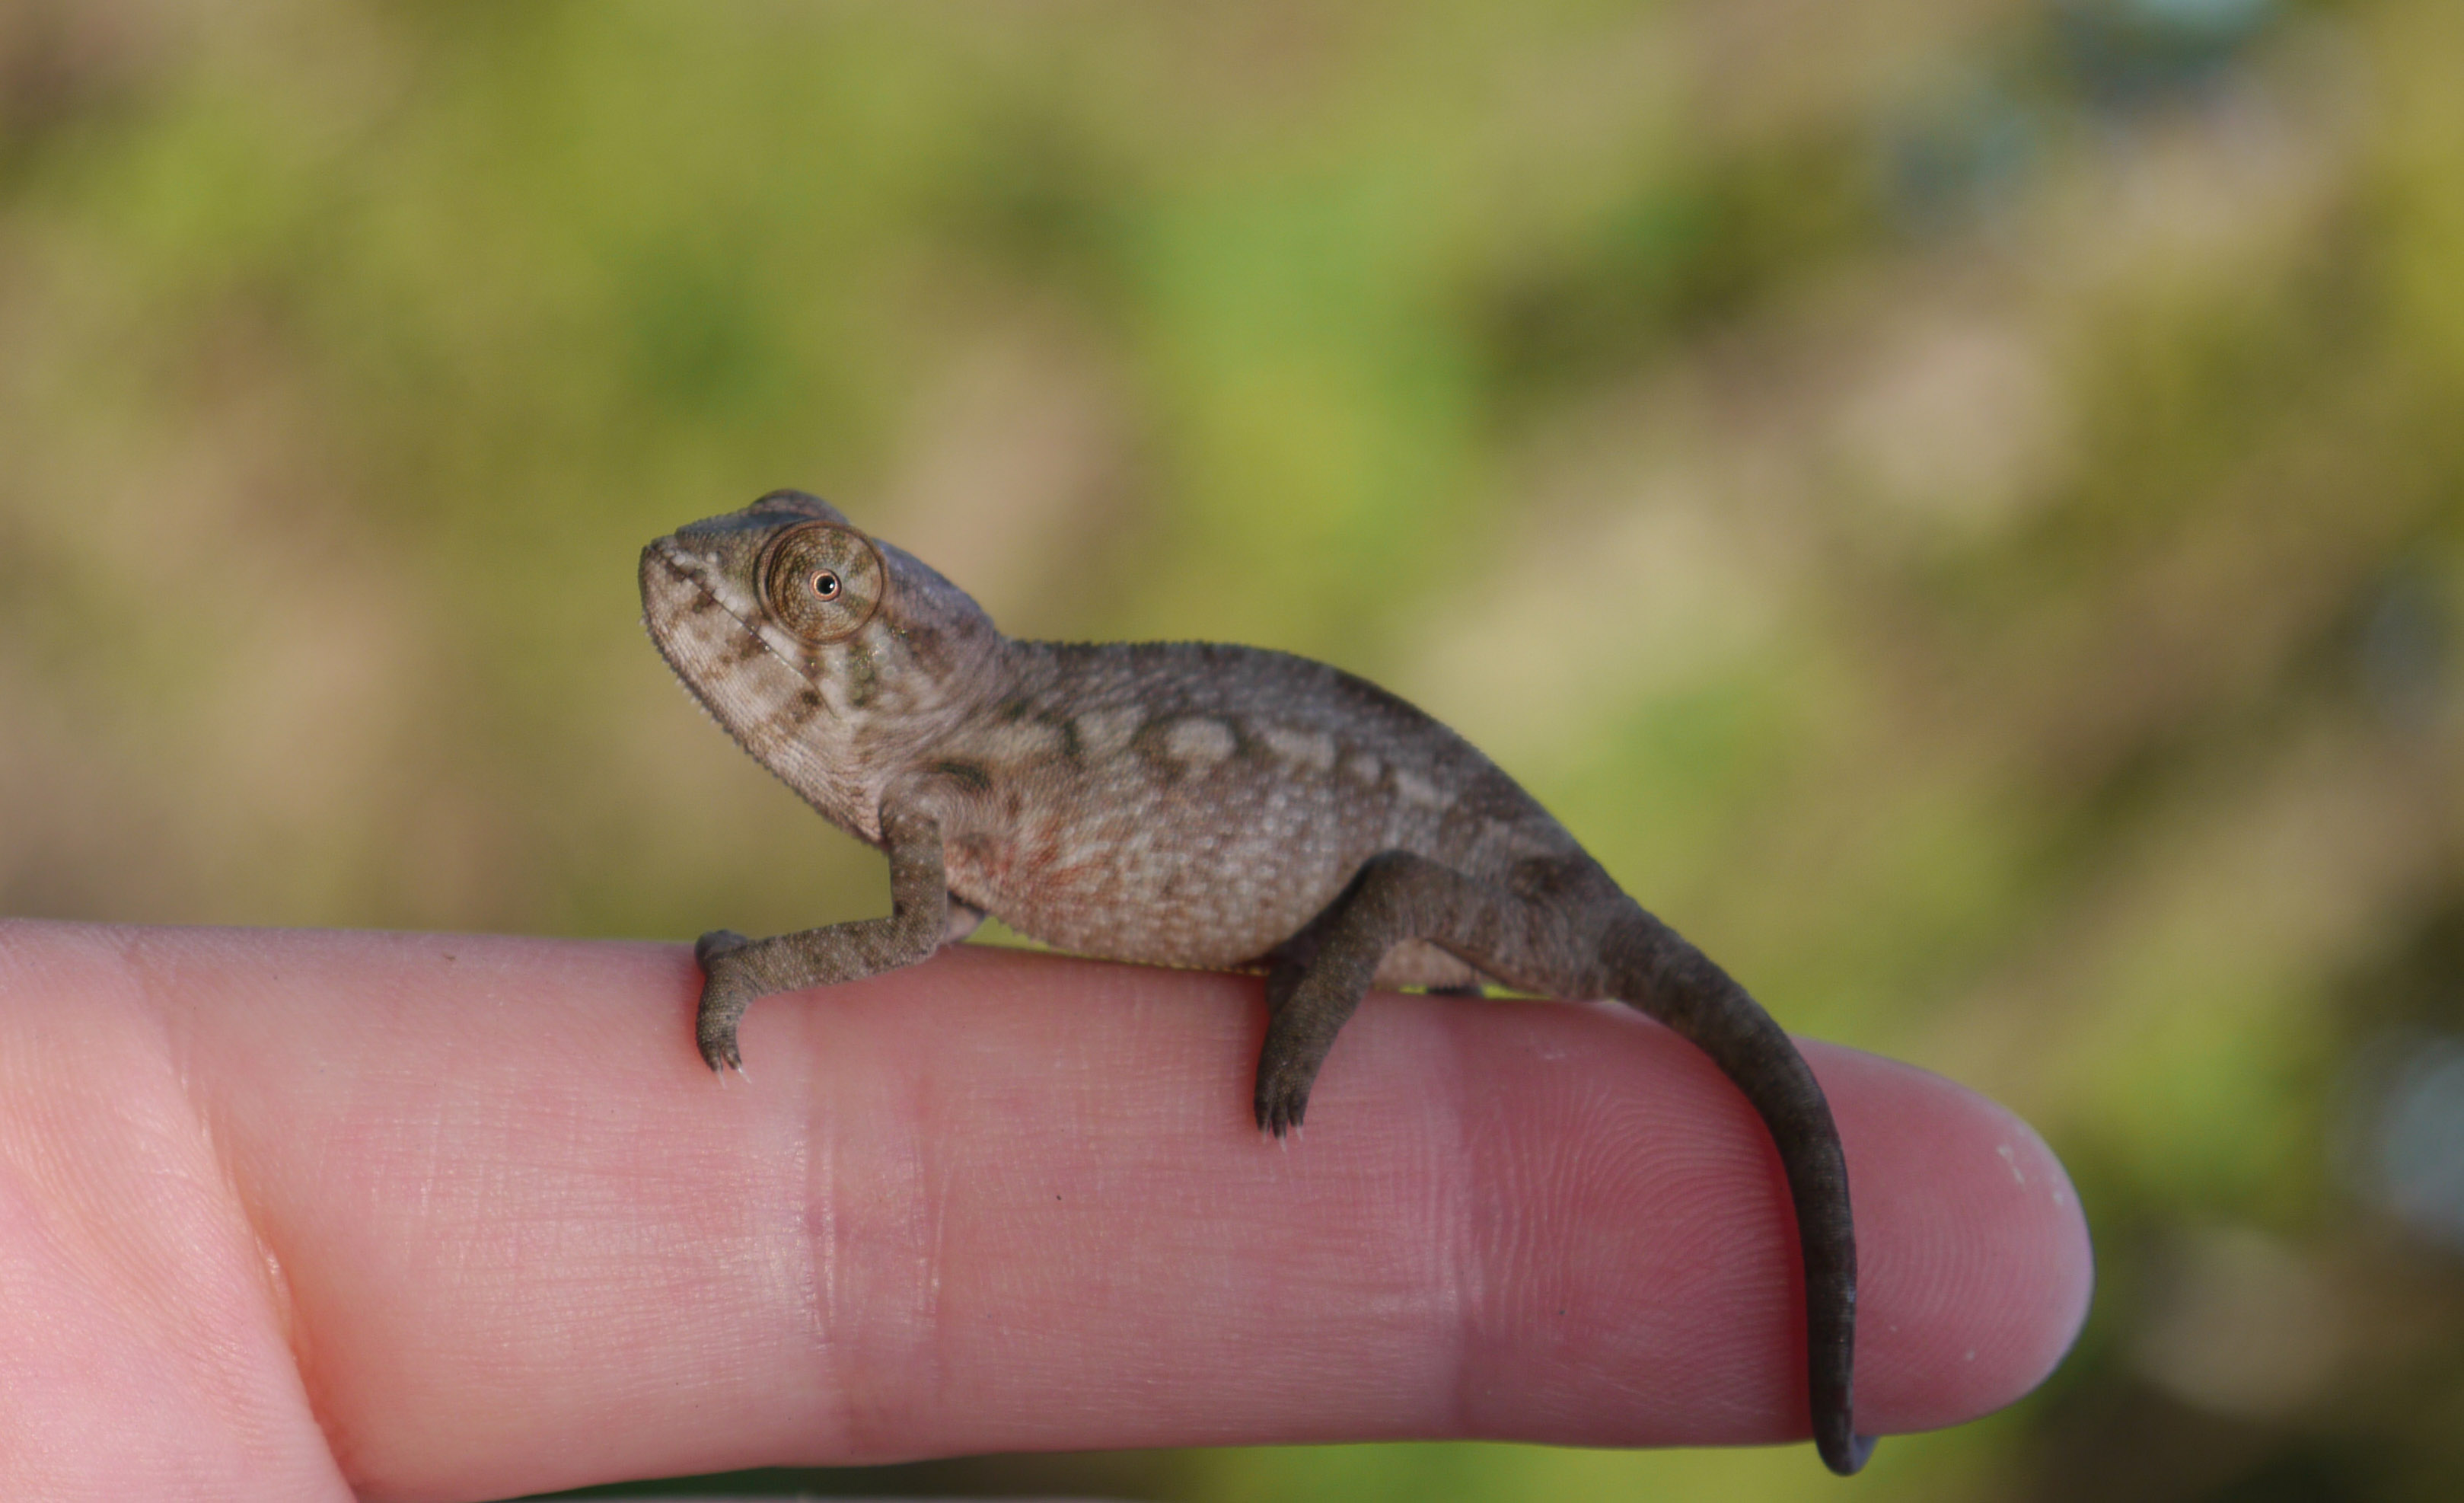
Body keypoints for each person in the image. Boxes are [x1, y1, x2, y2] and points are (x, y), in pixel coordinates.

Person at [0, 921, 2092, 1498]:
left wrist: (1315, 1014)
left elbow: (907, 939)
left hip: (1432, 874)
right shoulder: (972, 757)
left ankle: (1349, 1001)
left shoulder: (970, 770)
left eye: (822, 601)